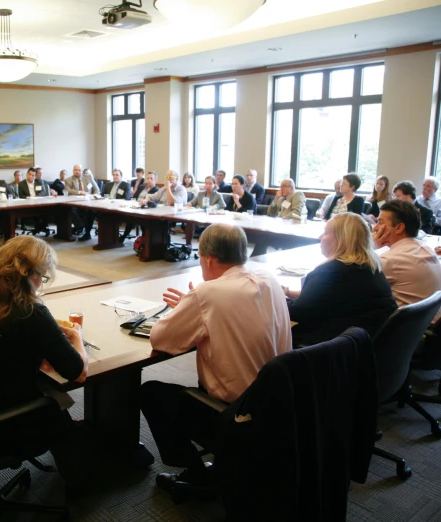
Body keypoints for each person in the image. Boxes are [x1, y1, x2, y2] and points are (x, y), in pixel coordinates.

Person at [140, 225, 291, 493]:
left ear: (208, 258)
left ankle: (198, 477)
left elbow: (161, 339)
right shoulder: (270, 280)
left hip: (235, 416)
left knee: (151, 393)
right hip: (277, 406)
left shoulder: (207, 294)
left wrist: (190, 305)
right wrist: (191, 307)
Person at [0, 235, 90, 487]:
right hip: (12, 418)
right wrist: (77, 338)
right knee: (60, 412)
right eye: (44, 277)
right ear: (33, 276)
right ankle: (81, 485)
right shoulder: (33, 313)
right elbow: (78, 373)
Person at [284, 213, 397, 346]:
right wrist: (294, 295)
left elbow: (297, 313)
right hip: (369, 347)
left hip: (329, 352)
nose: (320, 237)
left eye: (325, 233)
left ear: (341, 239)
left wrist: (276, 299)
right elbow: (333, 300)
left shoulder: (331, 271)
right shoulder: (371, 268)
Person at [373, 199, 441, 322]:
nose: (376, 228)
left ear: (399, 228)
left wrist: (371, 246)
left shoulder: (391, 260)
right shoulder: (426, 248)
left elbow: (353, 281)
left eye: (380, 222)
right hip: (437, 328)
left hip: (412, 336)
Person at [120, 172, 159, 243]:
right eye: (148, 178)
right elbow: (134, 197)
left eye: (151, 178)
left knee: (136, 219)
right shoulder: (141, 187)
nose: (149, 180)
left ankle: (142, 239)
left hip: (146, 210)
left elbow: (155, 203)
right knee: (130, 217)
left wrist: (144, 202)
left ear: (155, 180)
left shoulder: (156, 190)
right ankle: (124, 236)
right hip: (135, 207)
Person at [65, 164, 99, 241]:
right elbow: (68, 190)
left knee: (90, 211)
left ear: (82, 171)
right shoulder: (68, 180)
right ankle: (80, 226)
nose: (77, 172)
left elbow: (96, 189)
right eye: (75, 170)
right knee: (71, 209)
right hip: (75, 202)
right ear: (73, 170)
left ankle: (87, 233)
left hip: (88, 202)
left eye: (79, 170)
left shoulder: (88, 177)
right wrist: (80, 192)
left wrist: (93, 196)